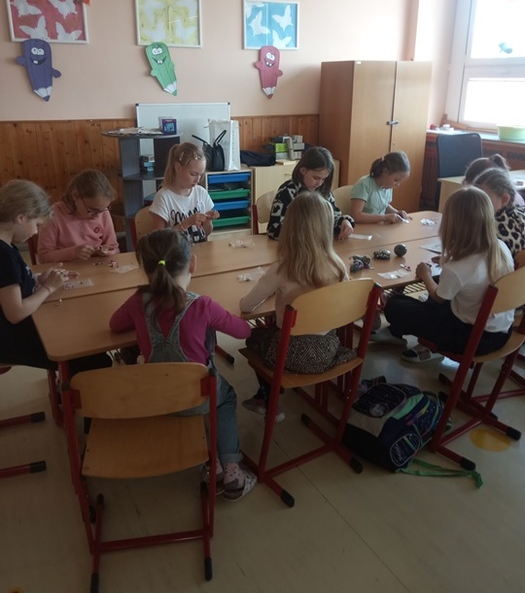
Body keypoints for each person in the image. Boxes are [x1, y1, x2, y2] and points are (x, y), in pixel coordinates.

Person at [109, 229, 256, 501]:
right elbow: (243, 331)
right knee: (226, 398)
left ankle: (210, 464)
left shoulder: (138, 302)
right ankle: (231, 469)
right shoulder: (203, 306)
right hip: (198, 397)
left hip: (156, 398)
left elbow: (114, 325)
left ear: (146, 269)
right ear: (193, 264)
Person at [240, 191, 356, 420]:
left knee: (253, 337)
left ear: (290, 227)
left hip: (290, 353)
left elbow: (246, 306)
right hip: (328, 349)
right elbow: (343, 297)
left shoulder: (282, 268)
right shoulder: (338, 265)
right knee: (276, 333)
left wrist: (274, 293)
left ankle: (266, 398)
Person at [382, 186, 515, 363]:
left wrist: (425, 275)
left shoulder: (458, 268)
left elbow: (438, 297)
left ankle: (412, 339)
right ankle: (407, 337)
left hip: (469, 338)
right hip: (502, 332)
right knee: (435, 299)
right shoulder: (500, 247)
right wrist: (451, 261)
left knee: (395, 305)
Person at [0, 179, 111, 373]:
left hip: (18, 330)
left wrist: (39, 279)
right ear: (20, 217)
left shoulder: (8, 246)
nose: (36, 231)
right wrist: (48, 288)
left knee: (87, 342)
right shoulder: (4, 255)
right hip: (11, 340)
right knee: (93, 358)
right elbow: (15, 313)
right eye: (36, 224)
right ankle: (70, 388)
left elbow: (11, 285)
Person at [266, 146, 354, 241]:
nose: (319, 183)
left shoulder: (324, 191)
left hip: (319, 244)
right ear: (303, 170)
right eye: (316, 178)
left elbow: (333, 218)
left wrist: (343, 222)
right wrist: (307, 230)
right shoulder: (286, 191)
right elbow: (273, 230)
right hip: (296, 246)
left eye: (324, 179)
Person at [37, 169, 119, 262]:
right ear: (75, 196)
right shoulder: (54, 214)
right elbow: (44, 257)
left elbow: (114, 248)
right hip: (67, 268)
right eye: (92, 210)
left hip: (97, 266)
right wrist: (74, 252)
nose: (97, 216)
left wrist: (108, 252)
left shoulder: (102, 212)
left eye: (102, 210)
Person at [149, 142, 219, 243]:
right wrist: (187, 223)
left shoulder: (201, 193)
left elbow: (206, 233)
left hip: (199, 250)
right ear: (178, 167)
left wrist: (208, 219)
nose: (197, 180)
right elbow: (157, 240)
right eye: (193, 174)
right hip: (174, 251)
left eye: (200, 175)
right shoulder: (163, 197)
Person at [474, 167, 525, 257]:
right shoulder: (517, 213)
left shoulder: (493, 231)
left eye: (484, 198)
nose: (475, 203)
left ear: (504, 200)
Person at [349, 151, 411, 224]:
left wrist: (396, 213)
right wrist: (385, 217)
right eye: (396, 180)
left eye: (400, 181)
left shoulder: (387, 187)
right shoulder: (364, 184)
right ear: (385, 172)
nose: (397, 184)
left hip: (378, 227)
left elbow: (384, 206)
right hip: (362, 227)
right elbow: (355, 216)